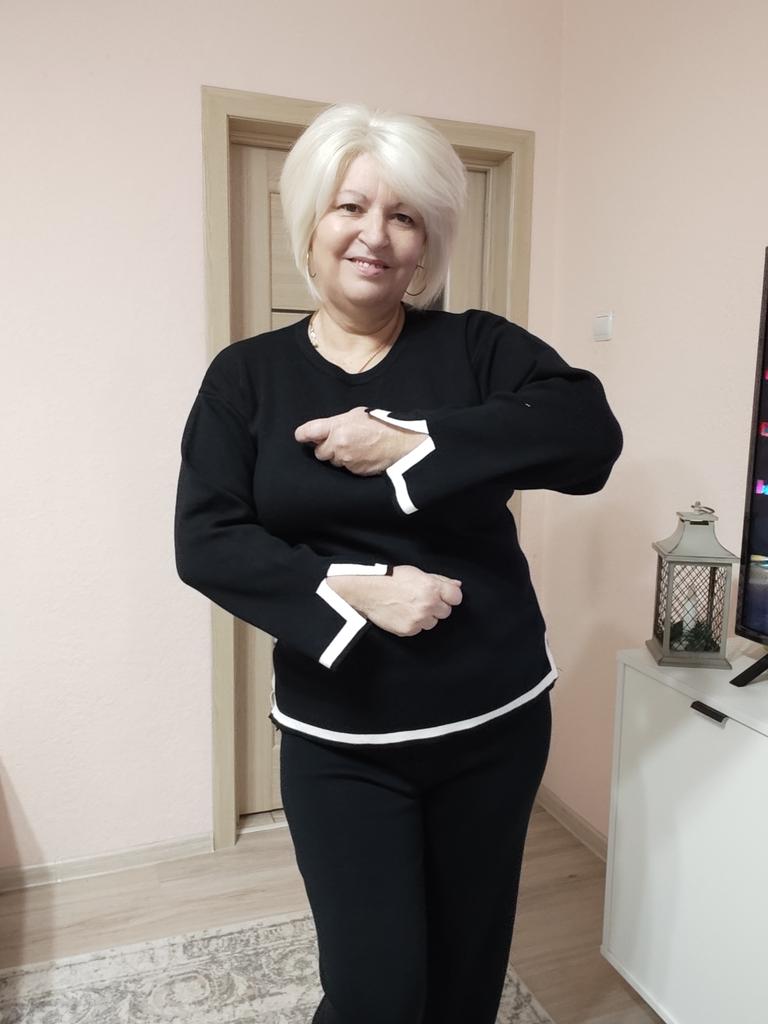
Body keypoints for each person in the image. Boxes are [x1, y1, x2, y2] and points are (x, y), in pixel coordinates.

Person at [174, 102, 623, 1024]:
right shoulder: (245, 378)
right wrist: (358, 590)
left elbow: (590, 437)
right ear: (311, 222)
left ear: (426, 244)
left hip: (493, 722)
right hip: (342, 738)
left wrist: (411, 442)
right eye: (351, 207)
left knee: (465, 979)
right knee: (375, 993)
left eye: (404, 216)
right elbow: (206, 538)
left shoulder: (478, 349)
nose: (374, 235)